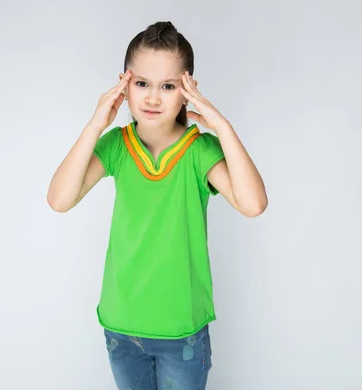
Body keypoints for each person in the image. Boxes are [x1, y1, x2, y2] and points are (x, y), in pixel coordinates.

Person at [47, 21, 267, 390]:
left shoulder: (199, 151)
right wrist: (97, 122)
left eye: (168, 86)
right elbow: (59, 199)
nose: (152, 97)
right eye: (142, 83)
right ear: (125, 84)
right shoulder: (117, 145)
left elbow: (253, 204)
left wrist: (221, 126)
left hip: (181, 332)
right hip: (120, 327)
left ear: (187, 91)